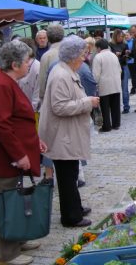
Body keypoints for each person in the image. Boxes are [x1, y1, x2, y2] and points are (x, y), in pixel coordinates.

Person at [0, 40, 47, 265]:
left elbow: (16, 119)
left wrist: (34, 142)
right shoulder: (0, 85)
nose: (29, 64)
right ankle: (7, 255)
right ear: (15, 64)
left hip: (8, 154)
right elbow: (1, 125)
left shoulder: (7, 81)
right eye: (27, 61)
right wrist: (19, 154)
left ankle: (18, 238)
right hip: (1, 156)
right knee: (7, 202)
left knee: (14, 198)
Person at [39, 35, 99, 228]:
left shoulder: (65, 71)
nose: (84, 57)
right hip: (61, 135)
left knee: (71, 173)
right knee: (66, 177)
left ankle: (76, 207)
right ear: (72, 55)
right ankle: (71, 216)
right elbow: (59, 107)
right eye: (82, 54)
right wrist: (86, 103)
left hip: (66, 133)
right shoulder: (61, 74)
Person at [38, 24, 65, 186]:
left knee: (49, 137)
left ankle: (49, 174)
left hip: (51, 101)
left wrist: (41, 99)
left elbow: (42, 83)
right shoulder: (68, 51)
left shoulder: (47, 56)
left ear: (48, 37)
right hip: (67, 99)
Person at [93, 39, 122, 132]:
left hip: (104, 84)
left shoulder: (98, 57)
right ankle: (116, 124)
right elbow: (119, 69)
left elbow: (96, 74)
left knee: (105, 107)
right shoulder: (114, 55)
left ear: (98, 47)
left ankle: (107, 126)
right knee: (115, 105)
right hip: (116, 83)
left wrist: (95, 84)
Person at [109, 29, 130, 114]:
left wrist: (127, 53)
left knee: (124, 88)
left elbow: (127, 56)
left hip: (123, 65)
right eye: (120, 36)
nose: (121, 38)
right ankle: (115, 107)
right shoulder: (110, 44)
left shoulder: (125, 44)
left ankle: (126, 107)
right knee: (115, 88)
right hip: (114, 67)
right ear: (115, 36)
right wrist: (115, 54)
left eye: (122, 36)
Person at [18, 38, 41, 114]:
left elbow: (37, 94)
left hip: (32, 112)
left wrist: (30, 111)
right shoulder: (22, 65)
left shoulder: (36, 66)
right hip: (24, 110)